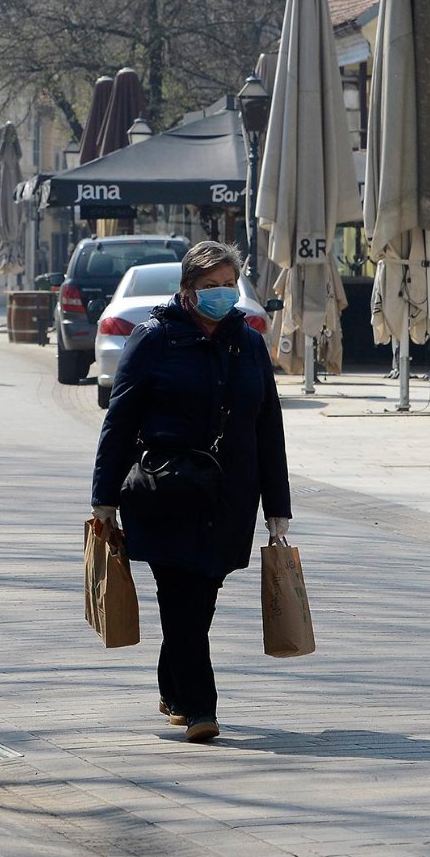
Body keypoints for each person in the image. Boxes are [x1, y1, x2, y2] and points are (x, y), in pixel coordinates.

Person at [88, 240, 289, 744]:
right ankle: (201, 708)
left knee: (201, 599)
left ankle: (172, 687)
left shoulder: (249, 344)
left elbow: (269, 427)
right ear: (187, 288)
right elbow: (120, 421)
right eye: (210, 287)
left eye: (229, 286)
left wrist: (277, 508)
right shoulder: (154, 337)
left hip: (230, 495)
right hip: (165, 489)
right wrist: (104, 498)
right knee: (179, 596)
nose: (222, 295)